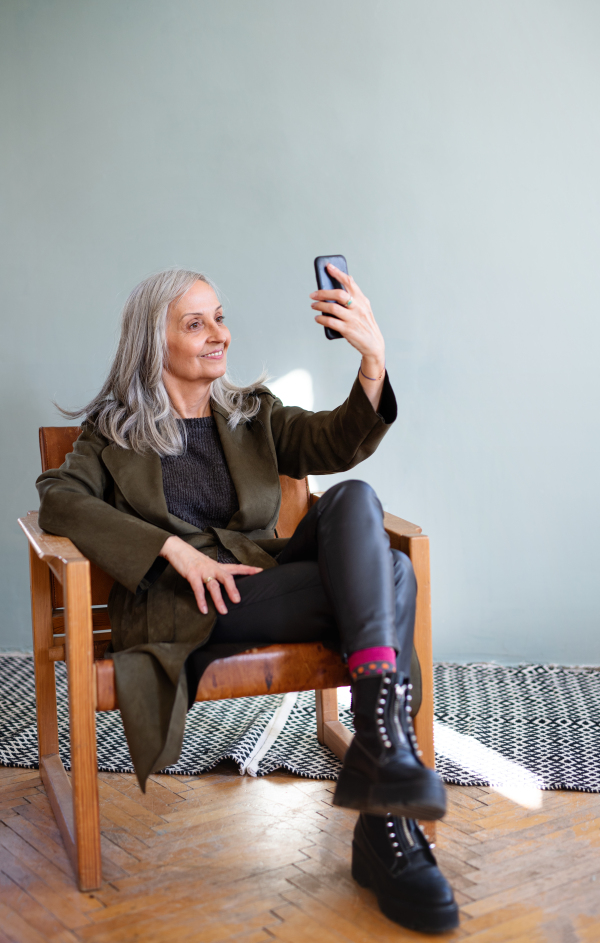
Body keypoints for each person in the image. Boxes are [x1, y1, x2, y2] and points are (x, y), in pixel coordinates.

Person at [37, 266, 458, 933]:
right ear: (154, 342)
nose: (219, 335)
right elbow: (58, 498)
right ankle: (389, 825)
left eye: (220, 318)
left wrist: (373, 361)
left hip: (265, 582)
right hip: (193, 605)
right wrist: (167, 548)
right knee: (394, 576)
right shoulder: (111, 433)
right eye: (196, 322)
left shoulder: (252, 413)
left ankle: (378, 739)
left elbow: (337, 441)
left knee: (355, 499)